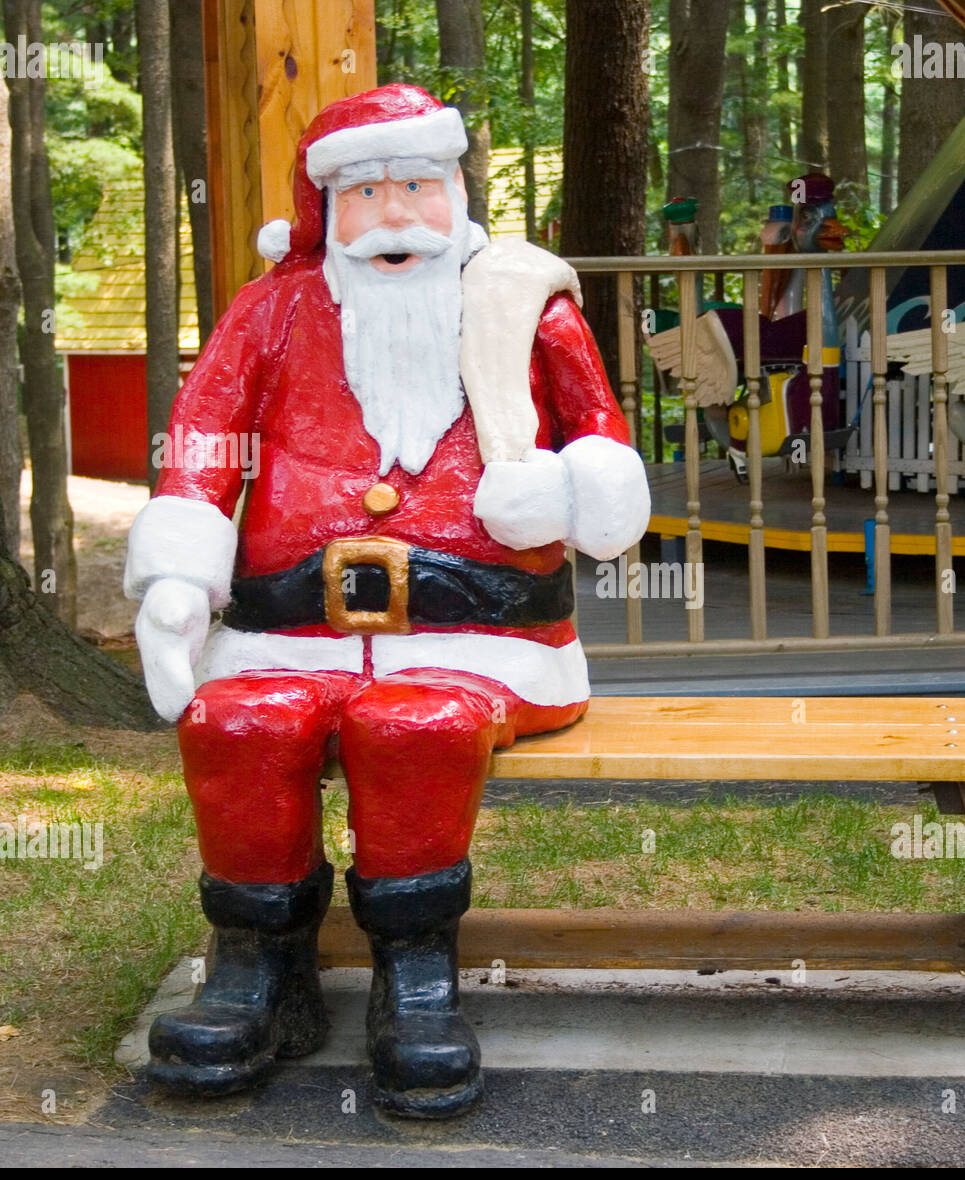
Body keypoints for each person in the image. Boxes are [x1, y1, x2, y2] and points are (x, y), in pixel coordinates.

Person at [123, 83, 650, 1117]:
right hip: (290, 632)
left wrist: (572, 488)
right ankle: (257, 971)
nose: (397, 213)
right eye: (367, 192)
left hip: (483, 635)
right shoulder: (273, 308)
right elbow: (201, 447)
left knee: (413, 723)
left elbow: (604, 446)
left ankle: (416, 979)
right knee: (237, 716)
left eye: (418, 184)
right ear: (326, 211)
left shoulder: (523, 308)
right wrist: (182, 573)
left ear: (455, 192)